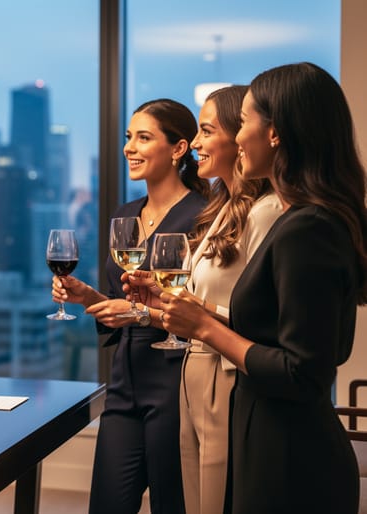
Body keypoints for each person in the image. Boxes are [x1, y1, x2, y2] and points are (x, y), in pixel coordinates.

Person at [159, 62, 364, 513]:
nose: (237, 138)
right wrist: (200, 314)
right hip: (271, 442)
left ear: (274, 133)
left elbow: (302, 372)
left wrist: (206, 328)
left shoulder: (307, 227)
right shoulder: (302, 221)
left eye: (244, 121)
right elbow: (275, 330)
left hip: (291, 459)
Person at [125, 86, 282, 514]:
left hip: (224, 368)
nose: (196, 142)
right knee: (196, 499)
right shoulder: (221, 209)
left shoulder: (266, 212)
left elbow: (264, 318)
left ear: (238, 137)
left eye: (207, 131)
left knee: (215, 498)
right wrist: (159, 299)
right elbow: (200, 299)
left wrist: (196, 315)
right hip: (195, 369)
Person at [51, 98, 208, 514]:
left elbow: (199, 310)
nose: (129, 148)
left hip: (175, 384)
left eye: (143, 137)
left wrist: (137, 312)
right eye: (128, 137)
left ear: (178, 149)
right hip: (124, 383)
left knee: (173, 505)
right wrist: (88, 296)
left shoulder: (202, 217)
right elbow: (122, 306)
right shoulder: (125, 214)